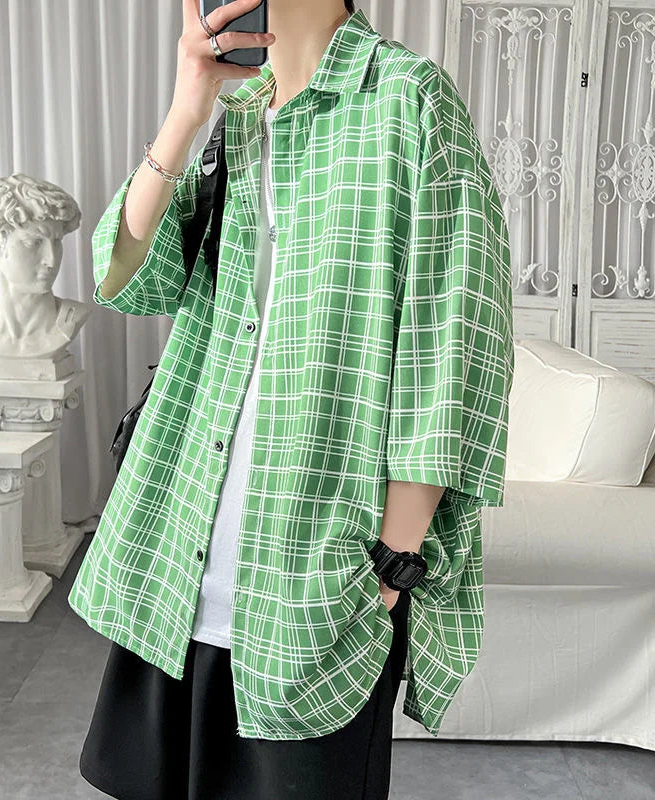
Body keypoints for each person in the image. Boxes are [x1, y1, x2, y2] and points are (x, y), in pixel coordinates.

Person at [69, 0, 515, 798]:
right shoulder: (239, 113)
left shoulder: (409, 99)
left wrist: (392, 567)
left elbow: (454, 349)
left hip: (315, 568)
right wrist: (187, 107)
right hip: (183, 548)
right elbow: (128, 278)